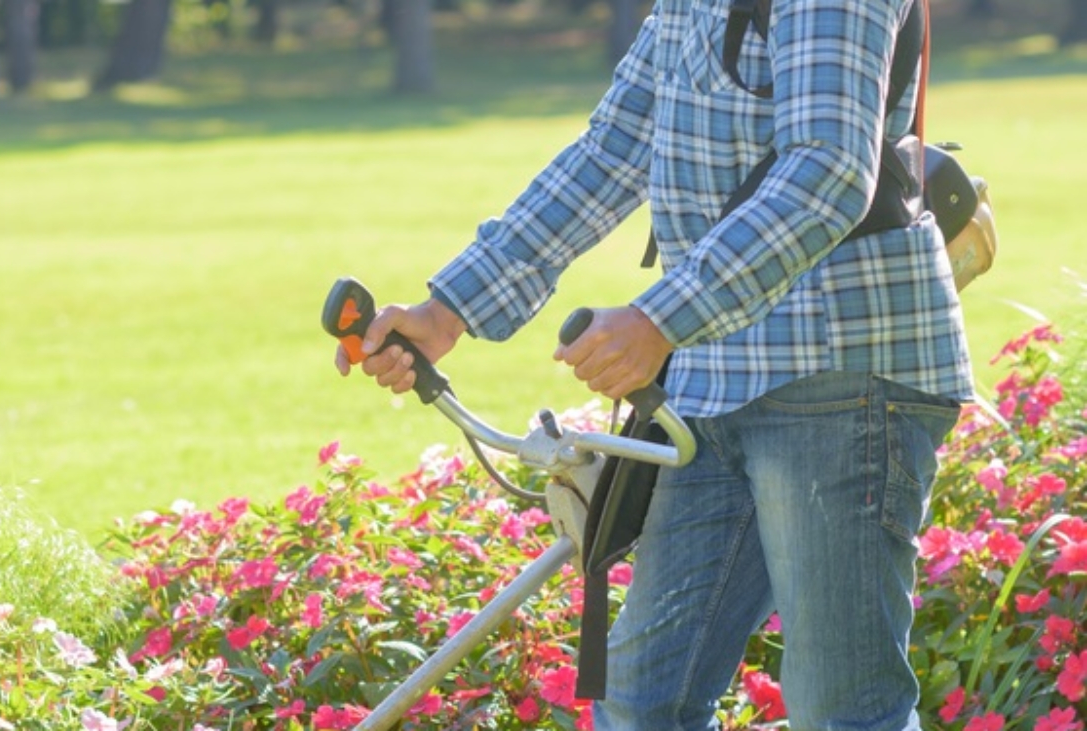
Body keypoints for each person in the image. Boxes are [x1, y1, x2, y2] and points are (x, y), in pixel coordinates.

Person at [333, 0, 973, 728]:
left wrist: (658, 319)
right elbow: (610, 151)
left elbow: (825, 172)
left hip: (839, 371)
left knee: (843, 711)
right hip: (713, 380)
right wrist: (448, 312)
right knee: (642, 705)